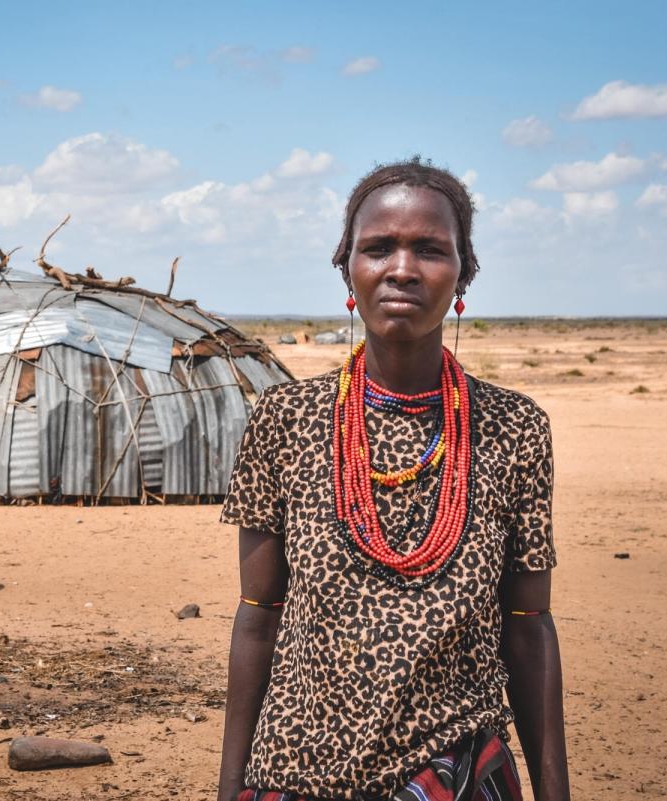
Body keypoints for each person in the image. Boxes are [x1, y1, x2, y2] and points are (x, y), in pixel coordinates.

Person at [217, 158, 570, 801]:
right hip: (297, 772)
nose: (402, 268)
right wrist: (229, 786)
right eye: (378, 248)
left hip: (454, 773)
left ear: (464, 273)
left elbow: (528, 621)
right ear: (347, 269)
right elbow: (258, 616)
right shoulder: (286, 419)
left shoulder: (514, 428)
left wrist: (555, 792)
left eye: (430, 249)